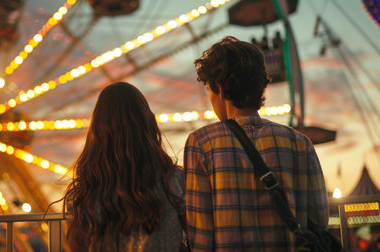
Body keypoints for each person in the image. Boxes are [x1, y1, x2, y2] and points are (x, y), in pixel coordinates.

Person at [184, 36, 329, 251]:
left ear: (221, 89)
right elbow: (319, 221)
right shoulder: (300, 143)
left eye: (210, 92)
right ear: (260, 87)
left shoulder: (201, 143)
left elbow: (201, 239)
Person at [62, 82, 185, 251]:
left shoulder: (82, 194)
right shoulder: (174, 181)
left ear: (97, 131)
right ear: (147, 124)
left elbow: (77, 247)